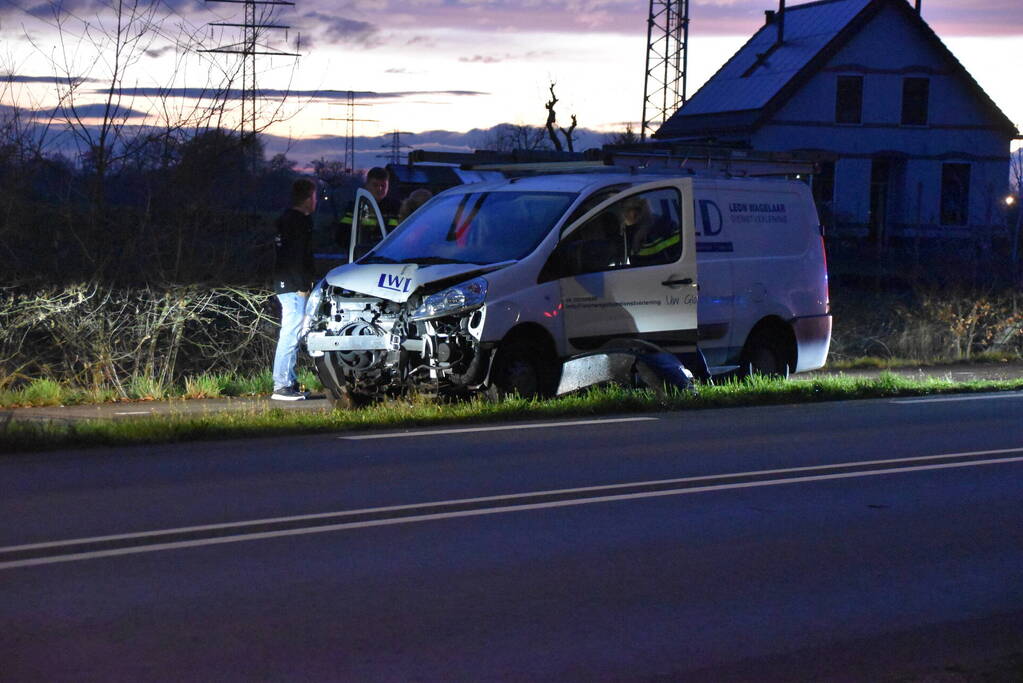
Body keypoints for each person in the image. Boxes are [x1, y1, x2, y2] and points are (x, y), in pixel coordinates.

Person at [271, 177, 317, 401]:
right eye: (315, 196)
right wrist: (302, 287)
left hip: (284, 283)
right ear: (309, 198)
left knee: (292, 332)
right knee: (291, 333)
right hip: (293, 287)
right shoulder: (299, 222)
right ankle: (282, 385)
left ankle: (288, 380)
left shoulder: (286, 219)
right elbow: (296, 256)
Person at [336, 167, 401, 258]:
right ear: (367, 185)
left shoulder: (396, 208)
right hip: (360, 259)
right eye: (375, 185)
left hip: (388, 258)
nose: (379, 189)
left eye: (383, 185)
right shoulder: (355, 207)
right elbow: (342, 237)